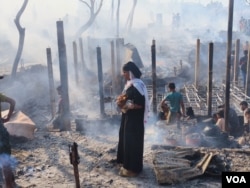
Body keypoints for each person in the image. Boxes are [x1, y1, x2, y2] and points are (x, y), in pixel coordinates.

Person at [115, 61, 149, 177]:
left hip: (134, 121)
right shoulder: (130, 84)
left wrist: (129, 106)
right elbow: (126, 98)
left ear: (130, 72)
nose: (123, 74)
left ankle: (132, 169)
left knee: (132, 143)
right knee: (126, 140)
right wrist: (121, 102)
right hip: (128, 118)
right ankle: (126, 163)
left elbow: (140, 104)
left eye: (125, 72)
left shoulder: (137, 86)